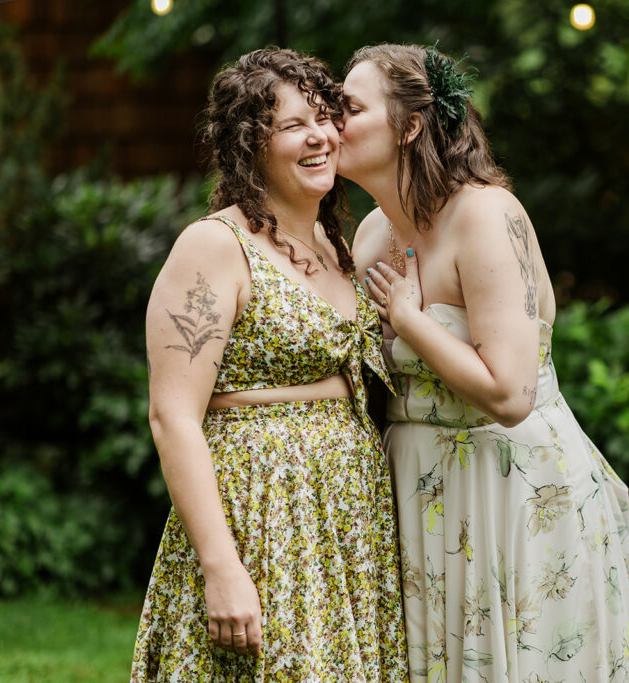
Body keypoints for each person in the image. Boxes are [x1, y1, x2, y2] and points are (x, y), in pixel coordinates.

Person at [338, 44, 629, 682]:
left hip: (513, 488)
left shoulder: (486, 215)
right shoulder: (372, 234)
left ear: (410, 126)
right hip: (420, 489)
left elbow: (511, 393)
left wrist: (408, 321)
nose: (332, 122)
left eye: (350, 107)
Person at [131, 48, 407, 682]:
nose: (319, 137)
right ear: (250, 144)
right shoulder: (213, 247)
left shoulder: (339, 243)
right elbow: (172, 416)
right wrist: (221, 565)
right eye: (291, 126)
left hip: (346, 521)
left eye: (324, 117)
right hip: (260, 516)